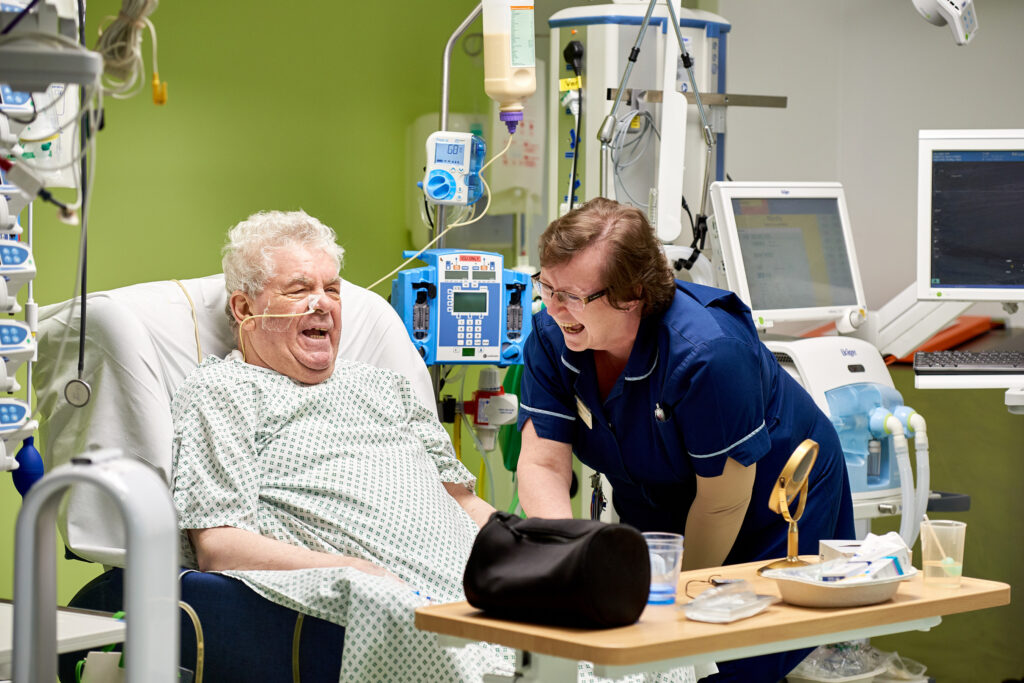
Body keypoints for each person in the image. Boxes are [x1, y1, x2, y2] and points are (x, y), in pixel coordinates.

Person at [516, 197, 855, 683]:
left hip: (769, 512)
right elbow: (543, 464)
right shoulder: (553, 337)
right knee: (627, 657)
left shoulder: (707, 354)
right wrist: (566, 559)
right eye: (545, 286)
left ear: (631, 294)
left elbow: (721, 505)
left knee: (716, 663)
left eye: (572, 295)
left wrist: (670, 607)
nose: (552, 307)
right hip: (660, 506)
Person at [170, 210, 508, 681]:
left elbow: (462, 499)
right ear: (245, 309)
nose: (322, 304)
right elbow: (220, 544)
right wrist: (357, 573)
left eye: (332, 289)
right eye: (298, 289)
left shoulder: (384, 385)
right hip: (394, 607)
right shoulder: (224, 392)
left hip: (490, 593)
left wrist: (529, 549)